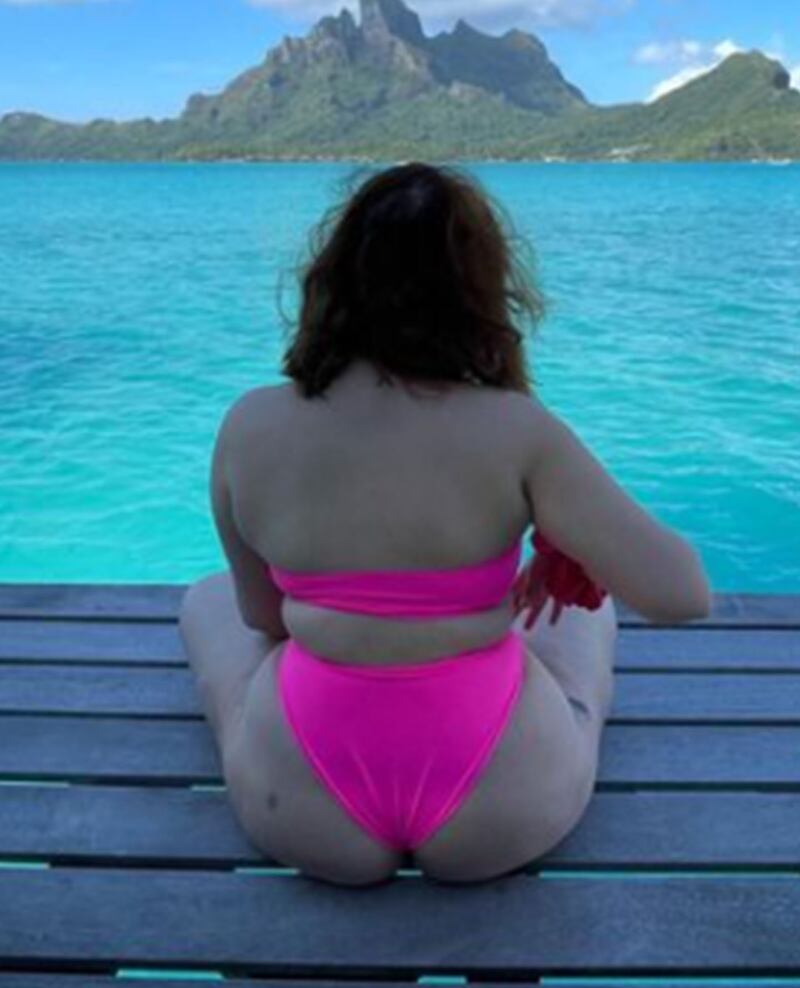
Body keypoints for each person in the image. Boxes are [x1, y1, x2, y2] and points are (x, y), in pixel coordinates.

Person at [179, 161, 711, 888]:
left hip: (304, 805)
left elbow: (264, 617)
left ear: (331, 281)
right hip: (502, 800)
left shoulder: (250, 424)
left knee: (207, 602)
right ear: (481, 293)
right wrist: (567, 545)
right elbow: (682, 594)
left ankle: (250, 730)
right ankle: (579, 715)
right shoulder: (517, 429)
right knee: (584, 623)